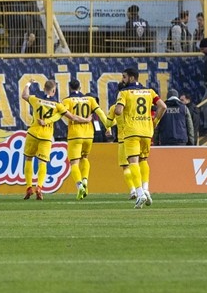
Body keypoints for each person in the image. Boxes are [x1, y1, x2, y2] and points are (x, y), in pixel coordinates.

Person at [111, 67, 166, 208]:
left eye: (124, 77)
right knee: (143, 160)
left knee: (133, 162)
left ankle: (140, 193)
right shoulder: (150, 92)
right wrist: (155, 122)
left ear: (131, 78)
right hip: (147, 131)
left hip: (131, 131)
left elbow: (118, 110)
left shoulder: (124, 92)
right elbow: (163, 106)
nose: (122, 80)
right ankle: (146, 190)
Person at [56, 79, 107, 200]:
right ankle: (85, 180)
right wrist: (108, 125)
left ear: (70, 88)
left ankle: (79, 185)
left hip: (75, 135)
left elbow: (61, 114)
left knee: (74, 163)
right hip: (89, 135)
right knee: (85, 158)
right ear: (80, 87)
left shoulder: (67, 100)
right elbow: (100, 113)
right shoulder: (90, 99)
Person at [20, 79, 62, 200]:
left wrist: (28, 83)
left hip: (33, 133)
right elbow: (65, 114)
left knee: (28, 159)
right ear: (53, 90)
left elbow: (24, 95)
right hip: (46, 136)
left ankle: (29, 187)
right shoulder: (57, 105)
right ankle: (39, 186)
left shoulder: (36, 99)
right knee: (42, 162)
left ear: (44, 88)